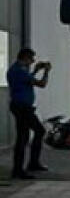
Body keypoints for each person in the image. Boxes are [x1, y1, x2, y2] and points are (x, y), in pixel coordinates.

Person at [7, 48, 51, 179]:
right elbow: (42, 84)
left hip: (21, 107)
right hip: (22, 108)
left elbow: (27, 81)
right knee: (26, 136)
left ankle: (29, 164)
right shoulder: (19, 71)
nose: (33, 61)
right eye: (31, 59)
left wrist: (36, 71)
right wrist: (46, 72)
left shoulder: (17, 70)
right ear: (25, 58)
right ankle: (20, 169)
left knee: (30, 134)